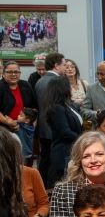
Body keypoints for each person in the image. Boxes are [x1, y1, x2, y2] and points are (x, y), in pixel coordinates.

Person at [47, 132, 105, 217]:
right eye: (86, 156)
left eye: (99, 154)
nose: (93, 160)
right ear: (79, 162)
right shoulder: (63, 191)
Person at [43, 76, 83, 188]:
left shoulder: (68, 105)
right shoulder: (56, 108)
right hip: (63, 154)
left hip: (73, 150)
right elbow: (65, 132)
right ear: (63, 88)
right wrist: (84, 139)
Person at [34, 52, 67, 181]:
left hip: (43, 127)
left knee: (45, 160)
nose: (65, 68)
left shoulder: (40, 81)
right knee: (54, 164)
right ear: (56, 66)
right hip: (55, 128)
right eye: (64, 65)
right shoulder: (57, 81)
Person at [0, 61, 38, 137]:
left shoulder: (26, 85)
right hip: (4, 129)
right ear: (3, 74)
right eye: (9, 72)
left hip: (24, 128)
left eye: (16, 72)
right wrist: (9, 122)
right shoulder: (1, 86)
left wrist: (27, 120)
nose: (13, 74)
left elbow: (34, 107)